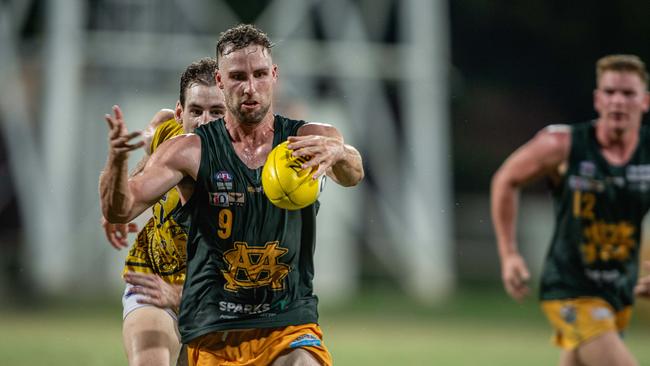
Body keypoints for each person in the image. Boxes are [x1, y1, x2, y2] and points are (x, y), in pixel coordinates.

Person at [100, 24, 364, 366]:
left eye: (259, 74)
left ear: (274, 76)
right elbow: (123, 207)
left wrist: (341, 154)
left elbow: (353, 171)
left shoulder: (307, 139)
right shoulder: (188, 150)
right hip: (212, 327)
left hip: (286, 322)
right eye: (238, 76)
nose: (250, 87)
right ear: (221, 82)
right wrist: (118, 162)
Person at [491, 54, 650, 366]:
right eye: (610, 92)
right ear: (597, 99)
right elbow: (506, 179)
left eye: (628, 94)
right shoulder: (562, 144)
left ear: (644, 102)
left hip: (618, 289)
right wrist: (509, 254)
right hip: (570, 287)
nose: (618, 101)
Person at [102, 57, 226, 366]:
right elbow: (148, 152)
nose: (205, 121)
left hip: (219, 297)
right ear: (181, 112)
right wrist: (122, 178)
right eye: (196, 111)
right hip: (154, 279)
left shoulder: (252, 163)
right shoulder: (167, 129)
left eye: (217, 112)